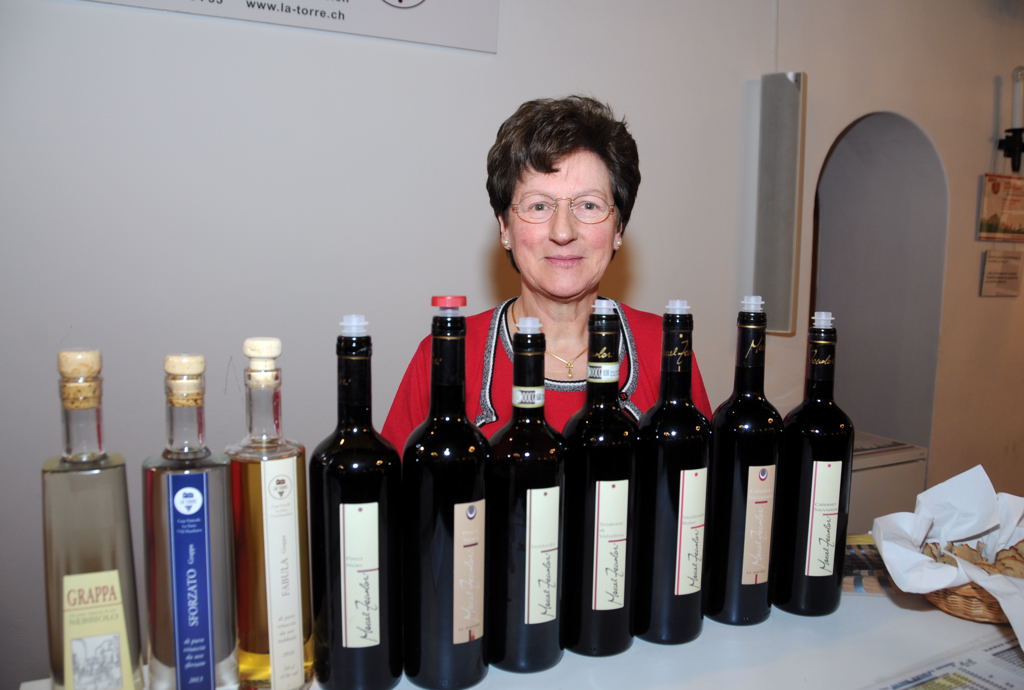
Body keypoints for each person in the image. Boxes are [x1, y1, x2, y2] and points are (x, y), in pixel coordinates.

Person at [382, 95, 711, 452]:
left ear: (618, 229)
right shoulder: (445, 355)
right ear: (505, 228)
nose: (563, 232)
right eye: (539, 205)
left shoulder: (667, 350)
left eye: (589, 205)